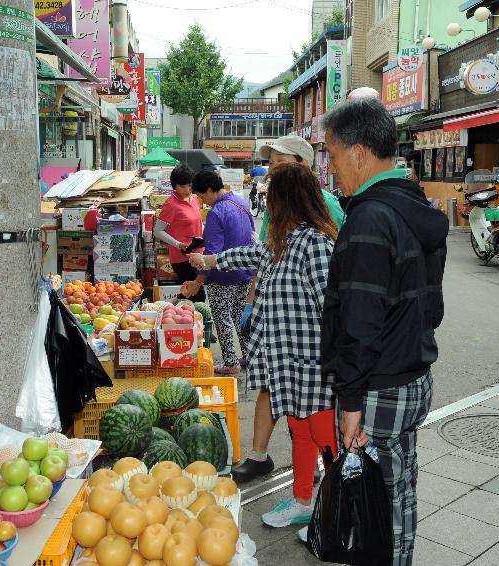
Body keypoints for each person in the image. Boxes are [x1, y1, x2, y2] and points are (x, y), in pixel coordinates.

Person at [320, 96, 448, 566]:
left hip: (378, 387)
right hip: (412, 376)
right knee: (398, 494)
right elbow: (431, 307)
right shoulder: (413, 207)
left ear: (358, 153)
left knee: (375, 504)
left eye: (332, 156)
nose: (331, 170)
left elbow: (359, 322)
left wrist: (351, 404)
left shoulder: (371, 218)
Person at [188, 162, 338, 537]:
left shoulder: (315, 243)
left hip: (314, 367)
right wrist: (209, 260)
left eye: (272, 198)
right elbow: (246, 256)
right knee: (300, 433)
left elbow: (333, 307)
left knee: (327, 441)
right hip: (289, 365)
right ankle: (303, 501)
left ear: (288, 201)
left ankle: (340, 509)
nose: (266, 205)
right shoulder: (281, 241)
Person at [232, 134, 345, 484]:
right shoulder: (282, 221)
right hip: (282, 340)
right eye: (272, 164)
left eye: (281, 164)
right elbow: (263, 254)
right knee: (290, 411)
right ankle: (297, 489)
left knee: (317, 425)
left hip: (309, 352)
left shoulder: (317, 228)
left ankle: (327, 495)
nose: (272, 173)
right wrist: (253, 301)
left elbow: (330, 295)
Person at [181, 171, 255, 375]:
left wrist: (197, 282)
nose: (203, 201)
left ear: (210, 190)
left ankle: (231, 361)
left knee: (222, 318)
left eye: (202, 196)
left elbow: (212, 255)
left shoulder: (217, 212)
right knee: (240, 315)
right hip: (245, 271)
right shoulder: (241, 203)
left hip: (223, 276)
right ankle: (248, 355)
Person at [154, 164, 206, 302]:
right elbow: (157, 231)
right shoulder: (171, 204)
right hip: (182, 258)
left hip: (199, 254)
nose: (187, 189)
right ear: (174, 186)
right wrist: (177, 244)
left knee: (193, 292)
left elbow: (197, 222)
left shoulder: (194, 198)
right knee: (198, 295)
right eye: (182, 186)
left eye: (189, 185)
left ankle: (171, 307)